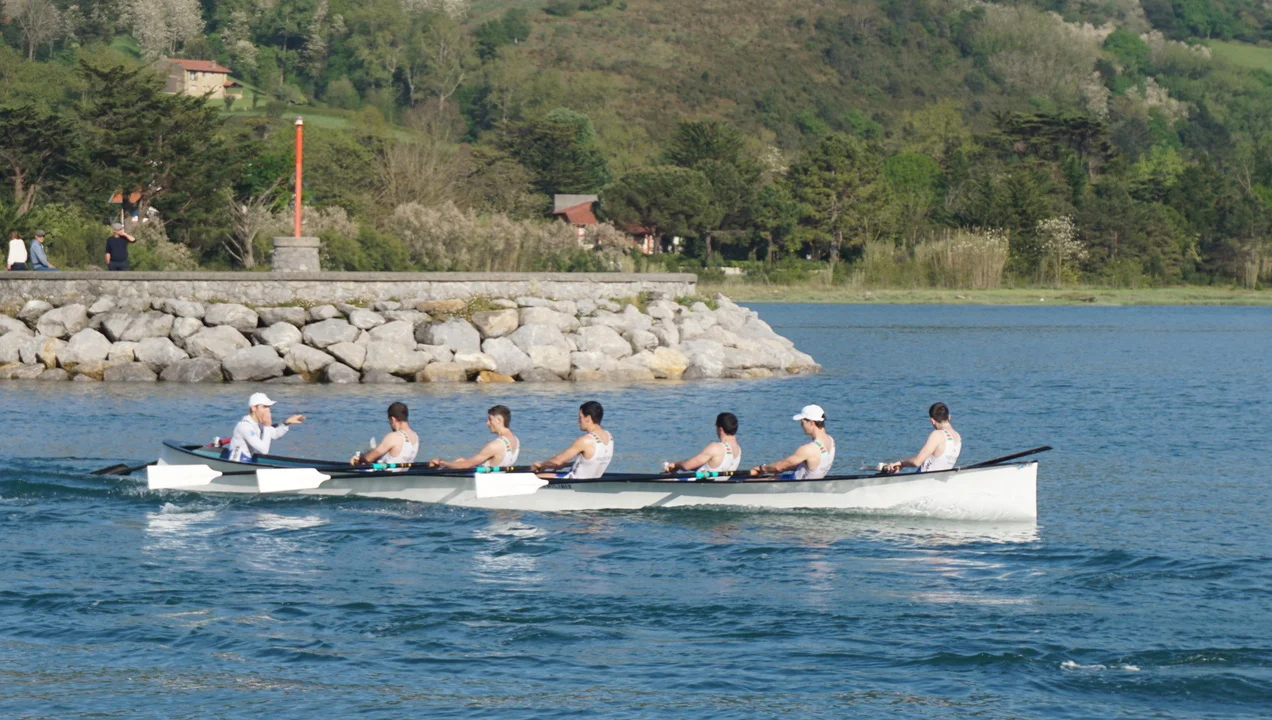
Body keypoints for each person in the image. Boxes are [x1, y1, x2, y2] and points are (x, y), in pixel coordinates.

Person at [531, 401, 613, 479]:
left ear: (588, 418)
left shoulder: (585, 440)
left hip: (574, 480)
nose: (578, 421)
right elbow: (592, 461)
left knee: (534, 477)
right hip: (593, 480)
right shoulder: (609, 437)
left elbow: (558, 461)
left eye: (580, 417)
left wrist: (541, 465)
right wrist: (565, 465)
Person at [751, 404, 836, 479]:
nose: (801, 426)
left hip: (798, 484)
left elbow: (779, 467)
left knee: (753, 480)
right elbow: (807, 463)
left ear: (811, 423)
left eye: (802, 422)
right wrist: (777, 468)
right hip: (811, 482)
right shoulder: (831, 441)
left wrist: (762, 468)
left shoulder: (808, 449)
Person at [429, 405, 520, 470]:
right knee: (461, 461)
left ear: (499, 420)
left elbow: (465, 466)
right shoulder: (515, 440)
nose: (487, 423)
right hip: (498, 478)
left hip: (485, 482)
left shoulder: (495, 446)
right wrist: (465, 462)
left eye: (490, 419)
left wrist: (442, 462)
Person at [225, 392, 305, 463]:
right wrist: (267, 425)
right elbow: (264, 450)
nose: (268, 410)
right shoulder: (244, 426)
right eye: (264, 407)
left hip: (248, 461)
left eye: (268, 407)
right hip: (237, 462)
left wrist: (287, 423)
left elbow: (275, 434)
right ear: (253, 408)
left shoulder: (258, 424)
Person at [885, 402, 962, 474]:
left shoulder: (937, 434)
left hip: (923, 478)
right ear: (949, 417)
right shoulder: (958, 436)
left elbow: (917, 462)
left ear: (932, 420)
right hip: (941, 477)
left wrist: (901, 463)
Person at [663, 412, 741, 474]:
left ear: (720, 429)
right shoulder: (738, 450)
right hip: (717, 484)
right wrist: (678, 466)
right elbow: (711, 466)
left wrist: (676, 465)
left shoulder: (715, 448)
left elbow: (687, 466)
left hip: (702, 485)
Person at [351, 402, 419, 467]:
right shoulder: (415, 437)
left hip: (385, 473)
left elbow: (368, 458)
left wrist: (359, 459)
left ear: (393, 419)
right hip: (403, 473)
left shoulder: (394, 437)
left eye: (389, 421)